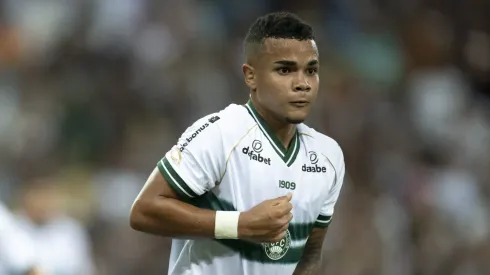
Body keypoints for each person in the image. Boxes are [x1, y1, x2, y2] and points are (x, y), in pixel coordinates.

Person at [130, 11, 346, 275]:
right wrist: (239, 225)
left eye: (311, 70)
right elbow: (144, 211)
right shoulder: (220, 134)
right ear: (251, 76)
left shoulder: (328, 157)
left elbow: (310, 253)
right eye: (285, 70)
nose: (302, 84)